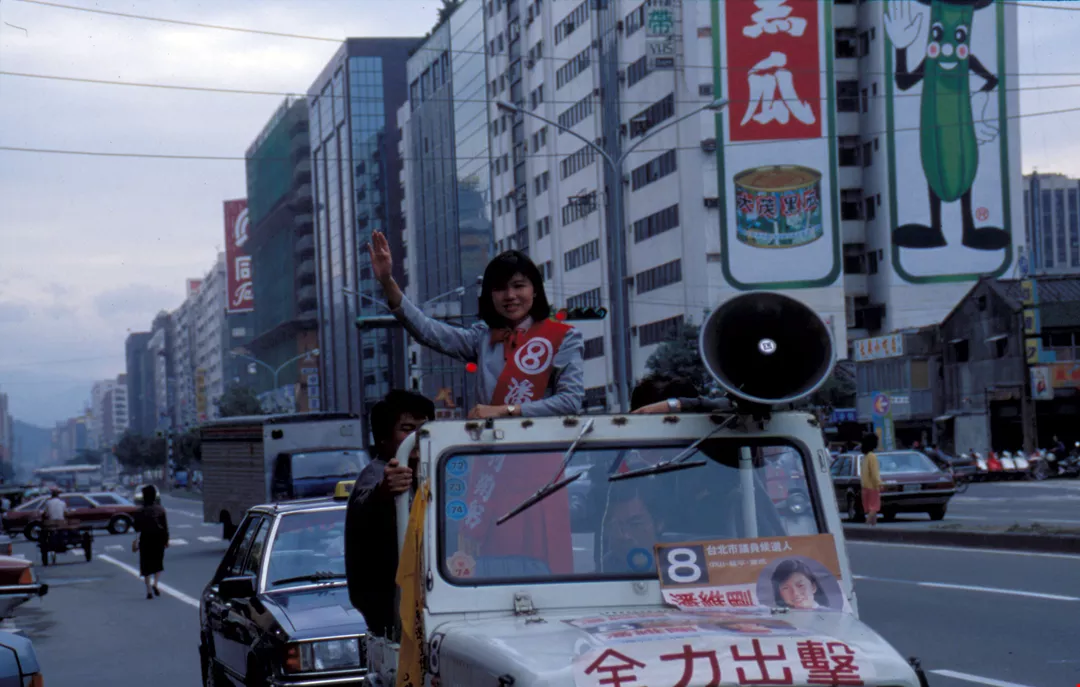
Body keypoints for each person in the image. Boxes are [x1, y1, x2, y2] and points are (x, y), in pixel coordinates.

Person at [369, 231, 584, 418]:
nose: (510, 295)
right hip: (491, 447)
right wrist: (387, 281)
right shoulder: (482, 337)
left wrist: (505, 410)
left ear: (535, 290)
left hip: (544, 447)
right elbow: (427, 330)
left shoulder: (564, 337)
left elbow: (570, 401)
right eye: (500, 288)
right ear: (490, 295)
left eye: (519, 286)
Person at [345, 389, 435, 638]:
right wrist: (385, 490)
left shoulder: (430, 474)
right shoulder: (375, 474)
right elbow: (365, 503)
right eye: (407, 429)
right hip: (392, 620)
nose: (417, 437)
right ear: (383, 437)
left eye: (424, 428)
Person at [132, 485, 169, 599]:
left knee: (145, 564)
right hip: (158, 538)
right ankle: (155, 584)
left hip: (145, 538)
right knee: (158, 562)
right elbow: (165, 527)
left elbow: (136, 527)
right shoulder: (160, 509)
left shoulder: (139, 511)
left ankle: (148, 590)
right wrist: (166, 540)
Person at [860, 433, 883, 527]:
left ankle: (873, 527)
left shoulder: (865, 457)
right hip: (872, 487)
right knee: (874, 508)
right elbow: (874, 473)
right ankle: (866, 527)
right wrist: (879, 483)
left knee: (871, 509)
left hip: (865, 487)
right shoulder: (872, 456)